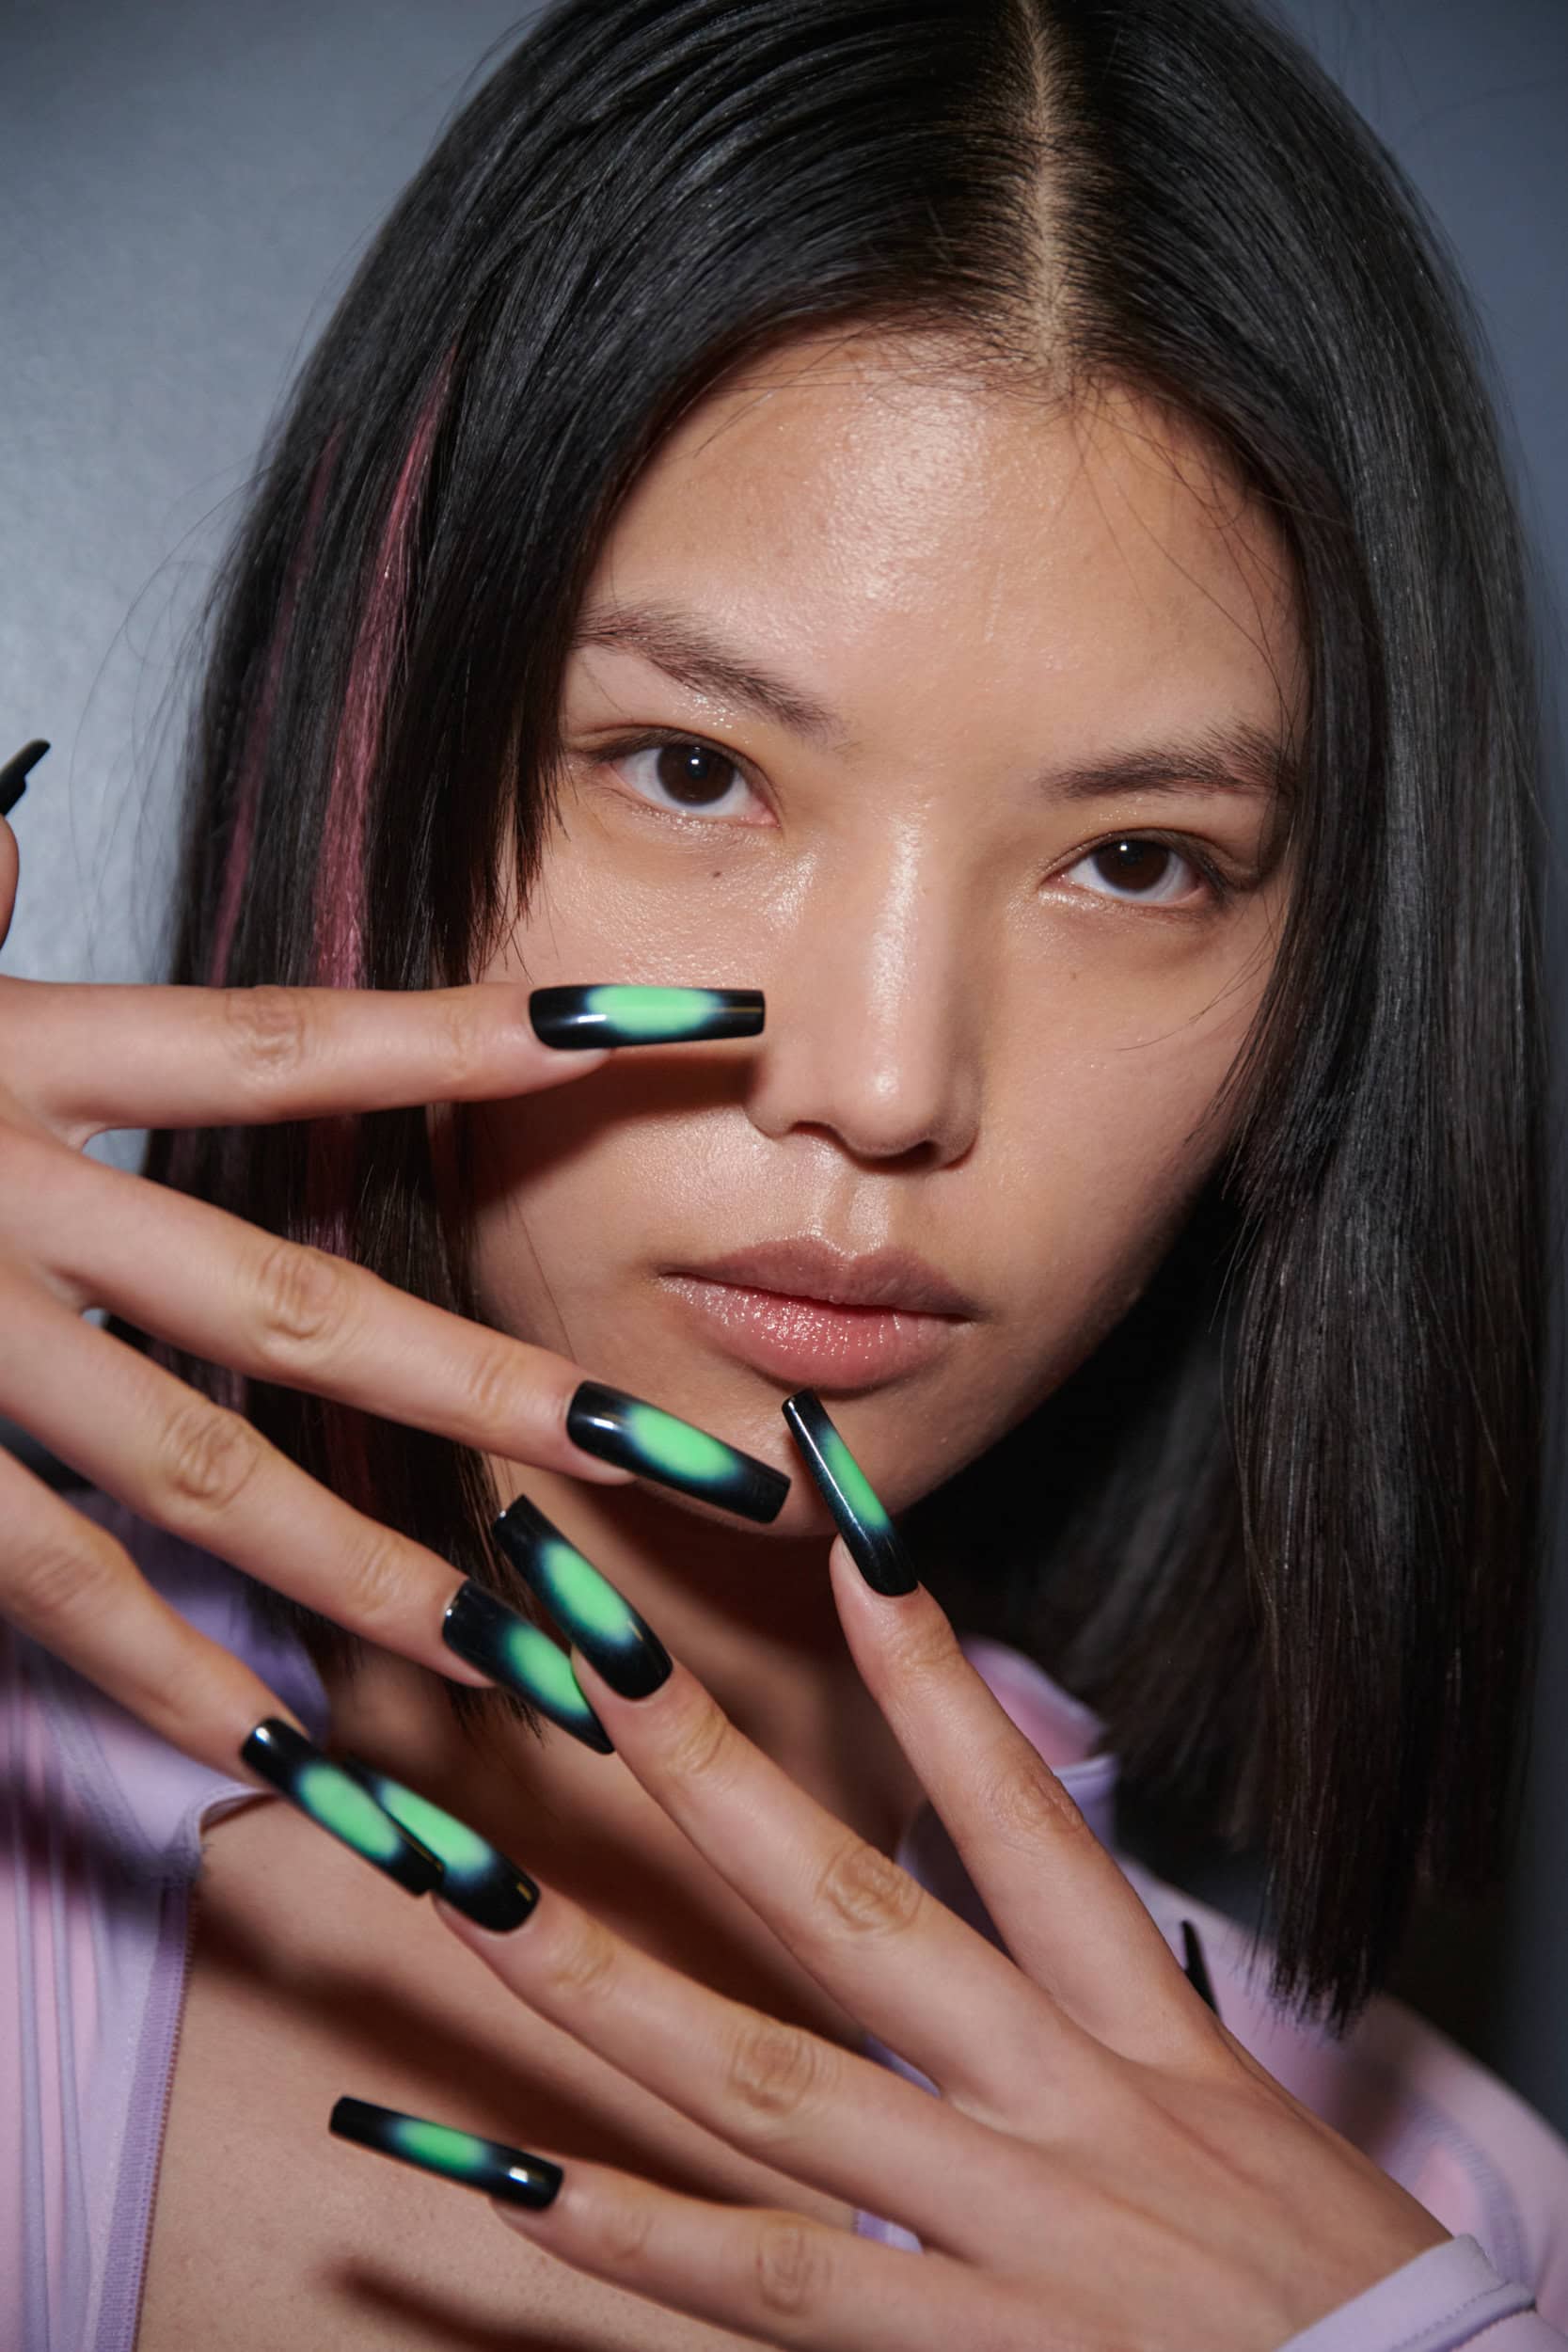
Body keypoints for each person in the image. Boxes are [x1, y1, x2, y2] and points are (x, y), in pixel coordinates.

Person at [2, 0, 1564, 2343]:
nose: (886, 1080)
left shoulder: (1452, 2241)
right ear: (375, 729)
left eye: (1139, 858)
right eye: (693, 769)